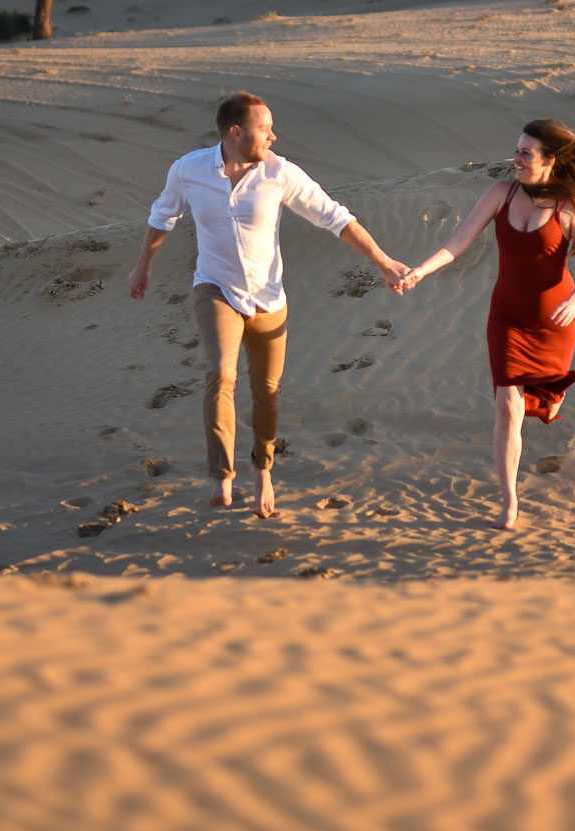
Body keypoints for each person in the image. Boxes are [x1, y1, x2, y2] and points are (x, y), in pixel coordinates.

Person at [129, 92, 409, 518]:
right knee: (221, 373)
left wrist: (385, 262)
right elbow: (162, 216)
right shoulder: (188, 170)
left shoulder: (280, 173)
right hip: (215, 288)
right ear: (235, 132)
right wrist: (142, 267)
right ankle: (222, 475)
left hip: (269, 298)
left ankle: (262, 470)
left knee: (268, 392)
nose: (274, 136)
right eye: (265, 129)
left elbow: (334, 217)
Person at [394, 118, 575, 529]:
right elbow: (458, 241)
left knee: (548, 402)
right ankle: (509, 501)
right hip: (508, 318)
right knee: (506, 407)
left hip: (554, 321)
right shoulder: (501, 192)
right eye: (516, 150)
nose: (515, 158)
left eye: (524, 153)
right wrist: (422, 270)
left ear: (549, 160)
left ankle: (551, 399)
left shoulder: (570, 206)